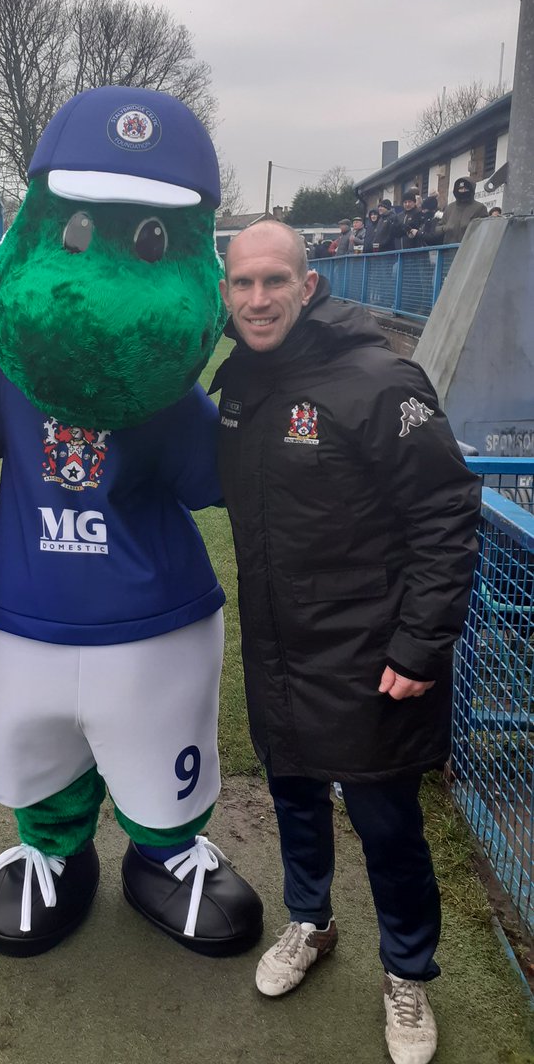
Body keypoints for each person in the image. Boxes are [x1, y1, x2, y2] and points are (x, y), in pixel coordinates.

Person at [212, 220, 480, 1064]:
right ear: (226, 292)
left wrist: (418, 646)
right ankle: (311, 921)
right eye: (242, 284)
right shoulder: (236, 387)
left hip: (370, 655)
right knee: (294, 795)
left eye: (273, 282)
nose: (257, 299)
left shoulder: (379, 377)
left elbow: (446, 514)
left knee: (386, 820)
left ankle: (408, 975)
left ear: (307, 284)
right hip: (277, 646)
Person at [437, 177, 488, 243]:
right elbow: (438, 228)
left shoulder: (479, 208)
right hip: (449, 249)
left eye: (465, 189)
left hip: (469, 249)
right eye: (460, 189)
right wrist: (445, 228)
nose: (463, 191)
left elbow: (484, 229)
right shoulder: (450, 208)